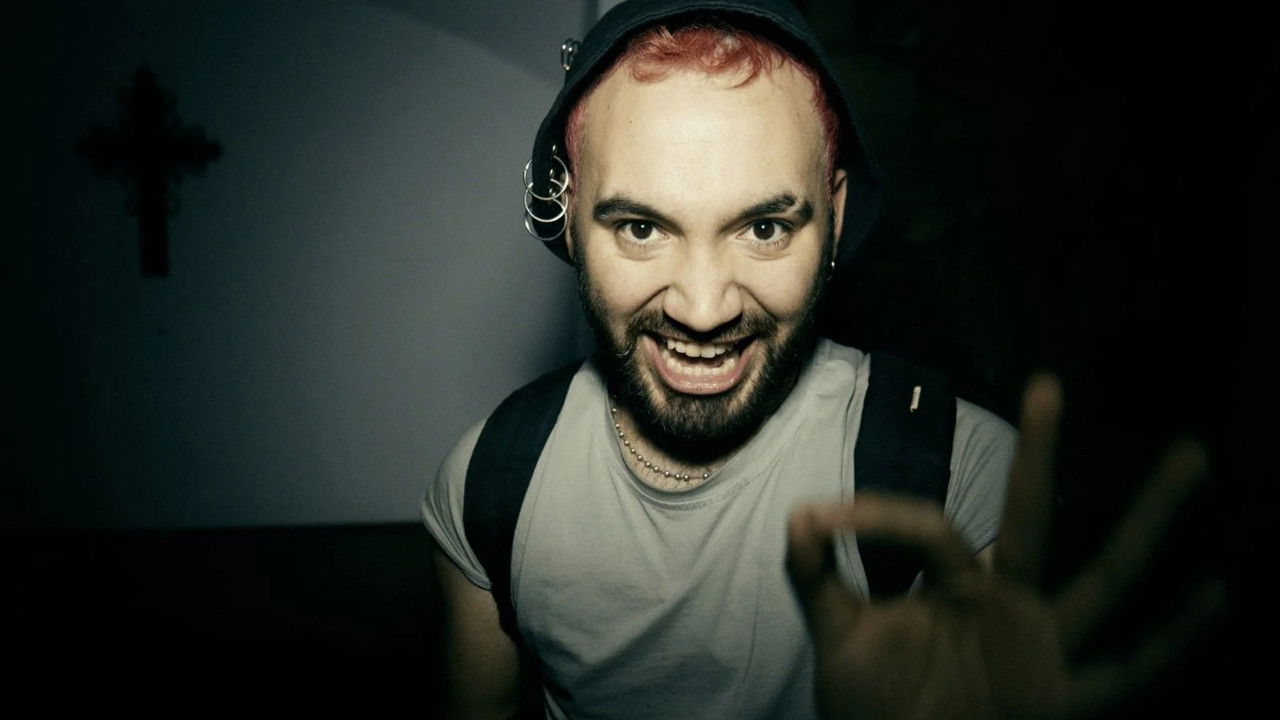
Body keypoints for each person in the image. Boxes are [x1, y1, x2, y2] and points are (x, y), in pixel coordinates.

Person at [422, 2, 1212, 718]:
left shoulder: (957, 479)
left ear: (833, 216)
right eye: (641, 227)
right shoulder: (494, 481)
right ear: (569, 223)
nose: (704, 308)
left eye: (764, 228)